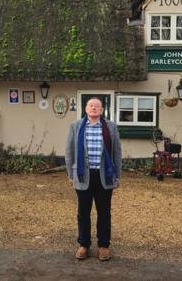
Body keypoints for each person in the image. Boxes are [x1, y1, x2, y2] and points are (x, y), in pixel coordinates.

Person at [65, 97, 122, 261]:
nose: (94, 108)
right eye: (91, 105)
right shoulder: (75, 126)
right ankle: (84, 244)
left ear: (102, 110)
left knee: (104, 212)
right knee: (83, 212)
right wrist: (70, 175)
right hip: (83, 176)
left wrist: (117, 175)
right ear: (86, 108)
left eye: (97, 106)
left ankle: (103, 246)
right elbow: (69, 152)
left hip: (105, 176)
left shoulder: (110, 127)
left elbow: (117, 152)